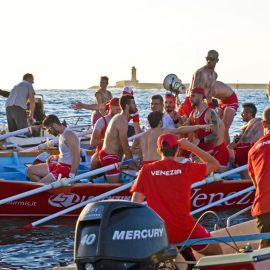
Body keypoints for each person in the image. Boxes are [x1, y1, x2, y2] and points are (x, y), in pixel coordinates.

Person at [131, 133, 220, 266]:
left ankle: (188, 261)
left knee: (180, 250)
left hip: (159, 231)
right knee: (217, 252)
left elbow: (135, 204)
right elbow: (214, 163)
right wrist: (190, 147)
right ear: (177, 150)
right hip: (185, 228)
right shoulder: (186, 168)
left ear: (158, 150)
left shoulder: (146, 170)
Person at [139, 111, 212, 165]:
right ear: (160, 122)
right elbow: (181, 130)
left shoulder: (143, 136)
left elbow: (141, 155)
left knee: (180, 159)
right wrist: (200, 126)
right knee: (183, 159)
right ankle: (204, 159)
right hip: (156, 164)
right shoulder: (163, 131)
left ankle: (195, 158)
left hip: (144, 164)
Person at [27, 115, 80, 184]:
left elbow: (77, 157)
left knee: (39, 186)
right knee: (29, 170)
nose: (49, 132)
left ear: (54, 125)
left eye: (49, 129)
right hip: (59, 165)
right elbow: (67, 154)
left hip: (66, 169)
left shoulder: (69, 135)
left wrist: (72, 176)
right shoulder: (62, 134)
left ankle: (44, 186)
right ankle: (47, 186)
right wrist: (55, 157)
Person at [98, 95, 137, 183]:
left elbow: (120, 144)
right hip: (109, 156)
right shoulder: (122, 120)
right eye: (133, 103)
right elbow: (125, 144)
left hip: (112, 155)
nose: (135, 106)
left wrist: (121, 160)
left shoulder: (121, 118)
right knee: (114, 185)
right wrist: (131, 162)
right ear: (127, 106)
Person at [248, 106, 270, 248]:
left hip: (263, 208)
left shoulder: (253, 149)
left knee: (265, 249)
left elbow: (256, 183)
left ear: (263, 124)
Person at [228, 103, 263, 178]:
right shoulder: (251, 125)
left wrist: (233, 143)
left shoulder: (254, 122)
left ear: (247, 113)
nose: (241, 114)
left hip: (250, 149)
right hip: (252, 150)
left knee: (225, 152)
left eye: (242, 112)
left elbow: (236, 143)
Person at [89, 98, 120, 171]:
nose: (118, 108)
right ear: (110, 107)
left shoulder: (122, 121)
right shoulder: (101, 121)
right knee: (95, 159)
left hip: (117, 155)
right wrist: (110, 141)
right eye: (116, 106)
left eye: (120, 107)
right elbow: (93, 142)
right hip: (102, 155)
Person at [186, 87, 218, 154]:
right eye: (190, 96)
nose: (190, 99)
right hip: (195, 152)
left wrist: (200, 140)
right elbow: (184, 128)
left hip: (207, 153)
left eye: (193, 96)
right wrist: (176, 120)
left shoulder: (210, 112)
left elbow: (215, 134)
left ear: (200, 96)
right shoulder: (192, 113)